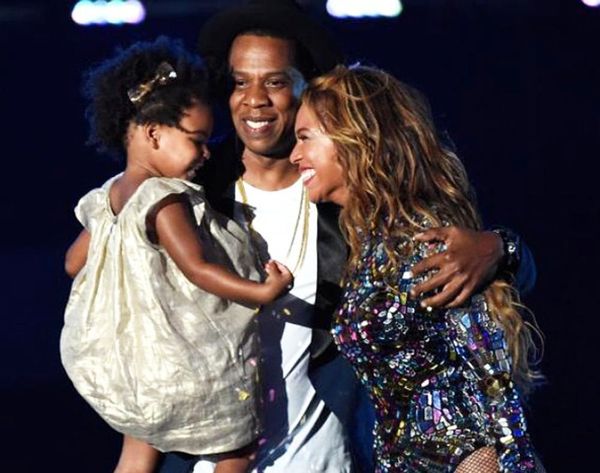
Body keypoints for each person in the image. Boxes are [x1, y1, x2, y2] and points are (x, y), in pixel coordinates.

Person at [159, 1, 537, 472]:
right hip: (203, 457)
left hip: (325, 458)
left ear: (306, 88)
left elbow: (482, 331)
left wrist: (500, 247)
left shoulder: (351, 205)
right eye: (239, 82)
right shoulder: (186, 190)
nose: (254, 99)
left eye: (275, 82)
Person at [289, 64, 543, 472]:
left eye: (305, 138)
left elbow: (486, 373)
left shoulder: (424, 238)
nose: (294, 155)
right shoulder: (372, 241)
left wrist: (500, 459)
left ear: (355, 139)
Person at [61, 36, 293, 473]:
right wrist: (262, 292)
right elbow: (198, 268)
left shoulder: (108, 197)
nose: (206, 153)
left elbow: (73, 263)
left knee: (137, 451)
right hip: (182, 359)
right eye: (197, 140)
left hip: (134, 366)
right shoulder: (164, 199)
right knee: (238, 448)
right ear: (154, 133)